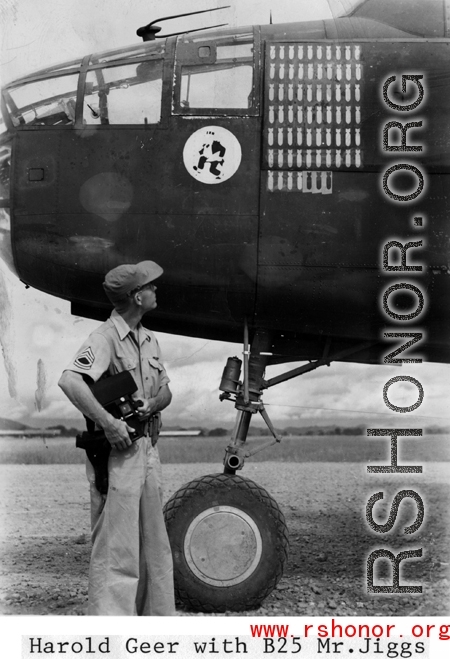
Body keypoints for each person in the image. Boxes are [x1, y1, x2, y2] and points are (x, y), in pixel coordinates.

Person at [58, 261, 175, 616]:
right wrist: (109, 423)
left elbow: (167, 390)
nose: (157, 291)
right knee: (117, 551)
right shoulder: (104, 338)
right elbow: (70, 381)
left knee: (154, 547)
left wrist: (152, 402)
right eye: (151, 288)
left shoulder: (149, 338)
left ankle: (156, 632)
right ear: (137, 297)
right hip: (118, 455)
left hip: (148, 452)